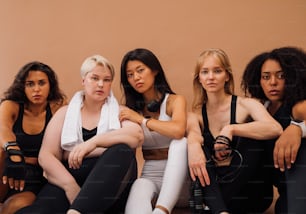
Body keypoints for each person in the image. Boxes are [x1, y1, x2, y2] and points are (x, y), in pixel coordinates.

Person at [16, 54, 144, 214]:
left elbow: (137, 136)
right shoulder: (65, 113)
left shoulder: (120, 112)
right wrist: (70, 186)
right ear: (83, 80)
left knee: (122, 151)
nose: (100, 84)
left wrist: (92, 143)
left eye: (106, 80)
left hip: (108, 184)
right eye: (94, 78)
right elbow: (46, 156)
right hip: (69, 177)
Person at [187, 48, 283, 214]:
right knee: (193, 146)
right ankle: (221, 211)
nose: (211, 77)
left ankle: (214, 209)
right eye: (205, 72)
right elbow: (193, 133)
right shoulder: (195, 114)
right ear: (199, 79)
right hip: (217, 191)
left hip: (251, 194)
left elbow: (275, 128)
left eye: (217, 71)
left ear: (227, 76)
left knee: (253, 136)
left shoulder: (246, 105)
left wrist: (231, 129)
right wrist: (193, 144)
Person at [120, 48, 189, 214]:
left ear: (155, 70)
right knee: (139, 184)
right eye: (130, 75)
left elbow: (178, 130)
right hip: (151, 177)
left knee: (181, 143)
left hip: (181, 183)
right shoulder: (130, 110)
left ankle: (161, 211)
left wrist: (142, 120)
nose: (136, 78)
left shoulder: (174, 101)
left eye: (140, 70)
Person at [241, 46, 306, 213]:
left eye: (281, 75)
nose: (273, 82)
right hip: (273, 193)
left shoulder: (298, 107)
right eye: (266, 77)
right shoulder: (258, 109)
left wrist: (298, 128)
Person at [0, 61, 66, 214]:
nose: (36, 89)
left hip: (41, 178)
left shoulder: (58, 108)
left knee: (15, 207)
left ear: (50, 85)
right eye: (30, 84)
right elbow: (3, 129)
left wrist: (26, 159)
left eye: (41, 83)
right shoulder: (11, 105)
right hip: (9, 172)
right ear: (22, 87)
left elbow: (63, 148)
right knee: (2, 151)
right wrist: (14, 152)